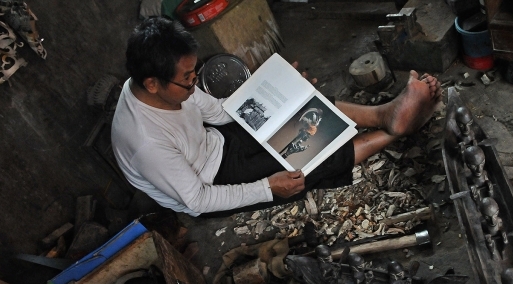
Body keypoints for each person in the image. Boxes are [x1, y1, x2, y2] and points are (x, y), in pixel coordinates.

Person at [111, 17, 441, 218]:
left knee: (301, 107)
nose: (193, 83)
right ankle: (400, 129)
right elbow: (198, 199)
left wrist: (277, 92)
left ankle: (387, 114)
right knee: (306, 163)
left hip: (216, 142)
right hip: (214, 178)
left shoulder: (163, 82)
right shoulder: (146, 143)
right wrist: (267, 188)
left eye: (194, 74)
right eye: (187, 80)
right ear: (152, 84)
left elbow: (217, 112)